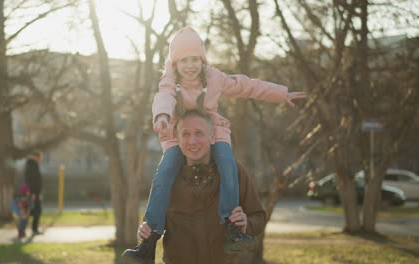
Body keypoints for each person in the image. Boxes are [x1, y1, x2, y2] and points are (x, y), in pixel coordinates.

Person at [122, 26, 305, 263]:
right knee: (164, 172)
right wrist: (162, 117)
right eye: (183, 60)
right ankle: (149, 239)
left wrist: (282, 94)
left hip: (215, 132)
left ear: (203, 60)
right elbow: (163, 98)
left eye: (195, 59)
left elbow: (246, 85)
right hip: (177, 136)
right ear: (175, 64)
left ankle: (232, 230)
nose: (190, 65)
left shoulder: (214, 78)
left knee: (227, 165)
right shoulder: (169, 81)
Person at [124, 110, 267, 264]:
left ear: (212, 137)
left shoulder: (234, 171)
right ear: (177, 139)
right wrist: (145, 229)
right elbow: (157, 220)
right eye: (185, 134)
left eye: (199, 133)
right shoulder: (166, 178)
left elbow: (258, 217)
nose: (192, 141)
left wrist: (246, 225)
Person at [24, 151, 43, 235]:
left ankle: (28, 229)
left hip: (35, 192)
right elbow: (32, 181)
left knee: (32, 211)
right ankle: (33, 229)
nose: (40, 159)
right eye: (39, 158)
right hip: (34, 193)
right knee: (36, 211)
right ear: (36, 157)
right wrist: (34, 193)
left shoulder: (33, 165)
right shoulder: (32, 166)